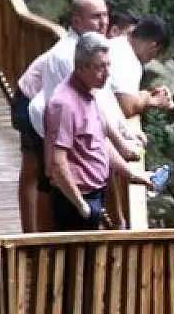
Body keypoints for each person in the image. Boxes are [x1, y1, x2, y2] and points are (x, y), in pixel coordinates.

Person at [11, 0, 108, 230]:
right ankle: (34, 236)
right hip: (30, 103)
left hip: (43, 105)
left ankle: (36, 236)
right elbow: (62, 107)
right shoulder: (68, 56)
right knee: (41, 173)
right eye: (96, 17)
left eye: (106, 15)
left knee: (46, 172)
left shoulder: (90, 49)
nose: (104, 22)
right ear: (76, 21)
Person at [44, 33, 152, 230]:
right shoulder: (64, 104)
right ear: (81, 67)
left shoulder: (90, 92)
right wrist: (82, 206)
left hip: (94, 194)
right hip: (75, 201)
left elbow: (100, 142)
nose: (107, 73)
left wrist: (131, 174)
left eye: (108, 65)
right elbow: (57, 162)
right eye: (100, 67)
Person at [107, 15, 174, 119]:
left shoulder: (116, 43)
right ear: (153, 46)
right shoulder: (130, 61)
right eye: (158, 53)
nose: (153, 58)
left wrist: (148, 94)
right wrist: (152, 100)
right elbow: (127, 108)